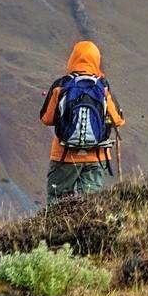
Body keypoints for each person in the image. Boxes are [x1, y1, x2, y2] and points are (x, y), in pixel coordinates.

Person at [39, 40, 125, 204]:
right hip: (96, 156)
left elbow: (46, 119)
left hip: (64, 156)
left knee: (58, 202)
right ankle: (86, 229)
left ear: (73, 58)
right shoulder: (102, 88)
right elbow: (118, 121)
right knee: (91, 206)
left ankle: (58, 230)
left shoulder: (61, 86)